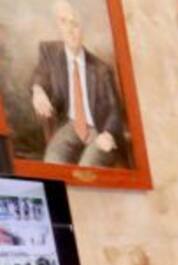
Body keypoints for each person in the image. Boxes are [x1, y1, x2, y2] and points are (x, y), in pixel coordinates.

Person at [30, 1, 126, 168]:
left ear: (84, 29)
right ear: (58, 27)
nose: (70, 30)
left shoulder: (101, 70)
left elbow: (115, 111)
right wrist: (38, 90)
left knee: (88, 169)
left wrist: (109, 134)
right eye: (64, 22)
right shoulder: (50, 53)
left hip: (98, 129)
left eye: (75, 24)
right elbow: (40, 74)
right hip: (70, 125)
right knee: (53, 162)